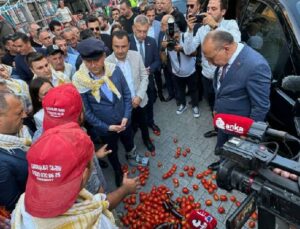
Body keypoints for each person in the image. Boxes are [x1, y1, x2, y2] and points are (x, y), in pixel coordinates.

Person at [11, 116, 139, 228]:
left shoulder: (22, 207)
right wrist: (125, 190)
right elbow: (100, 206)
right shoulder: (94, 222)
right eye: (91, 161)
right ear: (84, 174)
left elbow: (99, 204)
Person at [73, 38, 149, 187]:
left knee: (129, 140)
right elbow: (86, 112)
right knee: (111, 150)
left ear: (103, 56)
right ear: (83, 60)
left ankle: (132, 155)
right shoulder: (79, 80)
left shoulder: (114, 69)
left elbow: (127, 94)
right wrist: (107, 127)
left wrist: (126, 116)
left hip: (124, 120)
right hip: (105, 127)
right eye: (88, 62)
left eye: (97, 60)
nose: (93, 66)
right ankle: (117, 170)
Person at [202, 30, 271, 170]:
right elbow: (221, 88)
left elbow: (261, 106)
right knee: (223, 146)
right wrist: (217, 109)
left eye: (211, 59)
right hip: (224, 121)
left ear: (226, 48)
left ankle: (231, 170)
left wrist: (249, 134)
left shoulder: (256, 65)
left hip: (240, 127)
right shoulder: (225, 59)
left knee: (235, 155)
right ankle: (223, 164)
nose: (210, 63)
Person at [183, 0, 241, 138]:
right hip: (207, 77)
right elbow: (188, 49)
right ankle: (217, 128)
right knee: (213, 107)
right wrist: (190, 31)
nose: (208, 12)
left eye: (213, 9)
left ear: (223, 12)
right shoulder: (202, 29)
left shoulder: (230, 24)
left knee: (226, 109)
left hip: (225, 79)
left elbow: (236, 43)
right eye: (208, 8)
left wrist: (215, 26)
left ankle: (228, 134)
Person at [107, 30, 155, 152]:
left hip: (140, 100)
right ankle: (131, 148)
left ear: (129, 45)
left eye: (123, 46)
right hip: (123, 107)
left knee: (143, 123)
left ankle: (146, 139)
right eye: (116, 47)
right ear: (111, 46)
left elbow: (144, 76)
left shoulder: (136, 56)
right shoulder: (106, 63)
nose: (120, 50)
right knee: (129, 128)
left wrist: (139, 96)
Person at [130, 15, 161, 134]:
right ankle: (137, 124)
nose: (142, 34)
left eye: (145, 31)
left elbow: (157, 61)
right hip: (134, 83)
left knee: (149, 103)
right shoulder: (127, 42)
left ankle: (150, 122)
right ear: (133, 28)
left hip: (148, 80)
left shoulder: (151, 42)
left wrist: (150, 69)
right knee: (136, 105)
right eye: (139, 31)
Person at [0, 91, 30, 212]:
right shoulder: (1, 164)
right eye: (19, 113)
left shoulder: (23, 131)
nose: (25, 116)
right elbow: (15, 208)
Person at [163, 24, 200, 117]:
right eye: (171, 36)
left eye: (176, 36)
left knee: (193, 90)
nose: (174, 39)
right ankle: (182, 105)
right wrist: (163, 48)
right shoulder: (167, 39)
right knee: (180, 91)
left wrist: (182, 49)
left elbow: (195, 53)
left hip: (190, 71)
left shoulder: (187, 37)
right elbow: (163, 59)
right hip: (177, 73)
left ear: (179, 32)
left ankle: (195, 106)